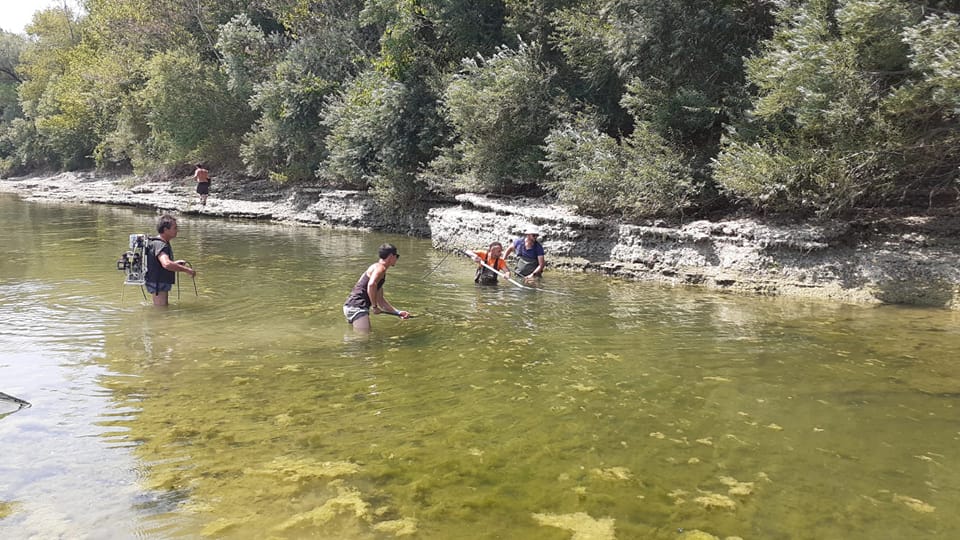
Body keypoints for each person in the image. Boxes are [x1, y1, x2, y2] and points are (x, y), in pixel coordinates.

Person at [343, 243, 411, 331]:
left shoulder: (376, 269)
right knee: (363, 339)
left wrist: (398, 313)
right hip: (358, 307)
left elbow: (381, 301)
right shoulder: (380, 268)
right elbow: (371, 285)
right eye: (396, 256)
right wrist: (374, 307)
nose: (396, 259)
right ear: (391, 256)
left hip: (351, 306)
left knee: (358, 338)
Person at [145, 214, 196, 306]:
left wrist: (175, 264)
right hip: (158, 283)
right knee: (161, 311)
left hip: (156, 281)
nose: (177, 230)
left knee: (162, 309)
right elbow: (166, 264)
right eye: (175, 228)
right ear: (165, 230)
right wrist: (187, 270)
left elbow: (159, 263)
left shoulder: (156, 242)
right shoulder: (161, 245)